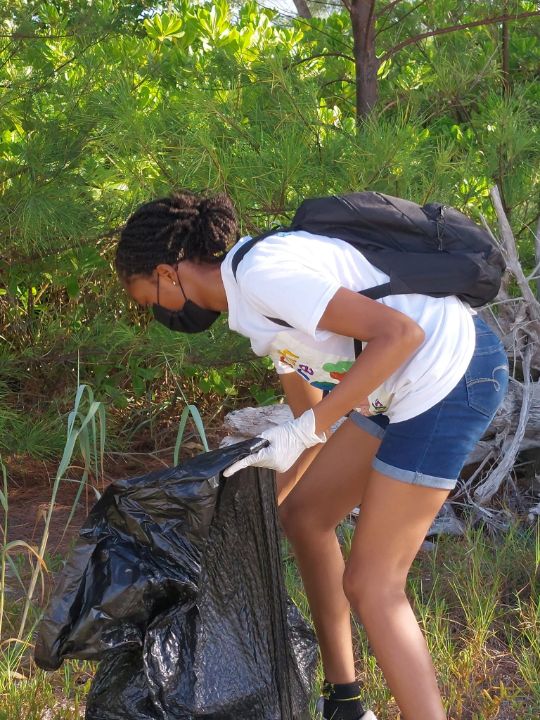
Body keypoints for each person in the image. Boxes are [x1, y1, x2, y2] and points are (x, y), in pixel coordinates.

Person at [115, 190, 509, 720]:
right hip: (395, 386)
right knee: (303, 515)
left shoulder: (263, 276)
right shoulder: (254, 312)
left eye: (146, 300)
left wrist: (304, 432)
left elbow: (400, 333)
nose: (157, 312)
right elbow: (310, 426)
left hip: (448, 372)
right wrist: (248, 505)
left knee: (373, 583)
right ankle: (344, 702)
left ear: (166, 274)